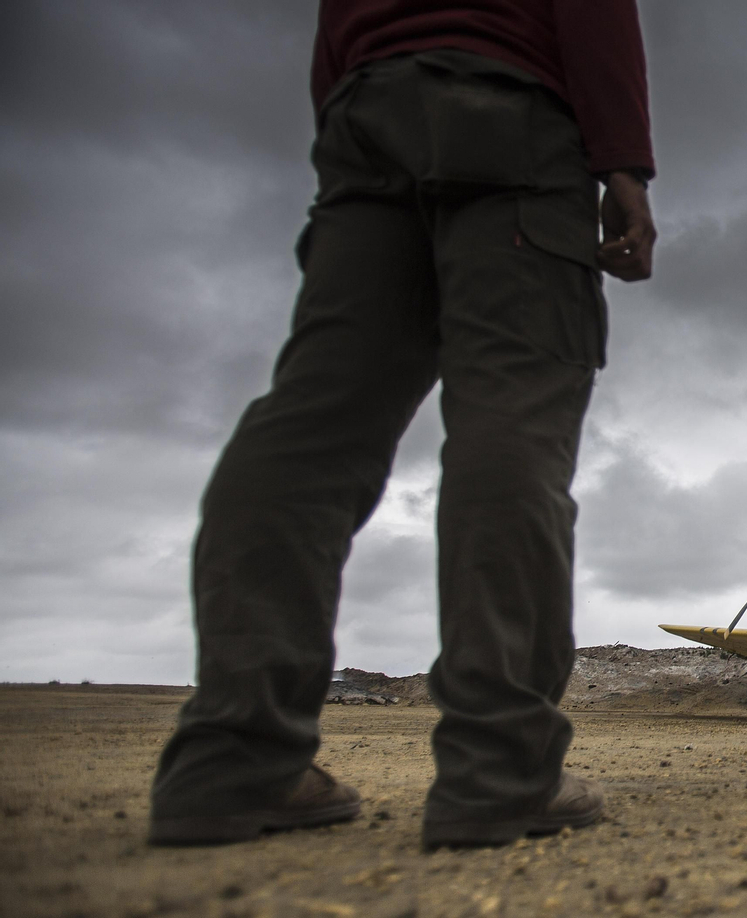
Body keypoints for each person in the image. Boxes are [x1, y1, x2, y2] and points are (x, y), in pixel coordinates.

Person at [148, 0, 656, 848]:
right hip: (515, 122)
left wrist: (353, 123)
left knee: (308, 425)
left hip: (365, 118)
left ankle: (231, 759)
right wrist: (625, 166)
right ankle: (501, 769)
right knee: (513, 426)